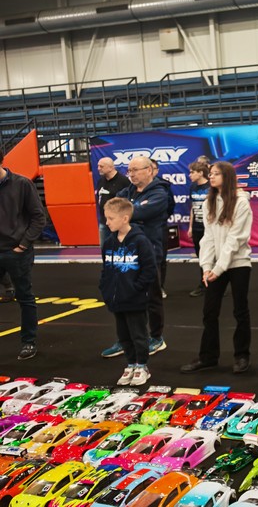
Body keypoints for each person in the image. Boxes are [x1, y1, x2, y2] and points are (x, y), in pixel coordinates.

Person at [181, 161, 253, 375]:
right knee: (209, 311)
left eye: (216, 174)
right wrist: (206, 267)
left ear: (227, 177)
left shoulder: (241, 202)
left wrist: (218, 268)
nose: (211, 177)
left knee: (240, 310)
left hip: (238, 263)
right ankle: (208, 357)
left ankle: (242, 356)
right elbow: (208, 238)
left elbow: (236, 238)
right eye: (210, 173)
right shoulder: (208, 202)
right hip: (215, 266)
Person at [108, 157, 170, 358]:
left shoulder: (160, 192)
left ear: (150, 170)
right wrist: (131, 213)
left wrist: (128, 214)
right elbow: (113, 209)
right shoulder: (127, 192)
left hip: (149, 253)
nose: (131, 174)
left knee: (151, 298)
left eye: (135, 170)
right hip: (125, 252)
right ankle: (125, 340)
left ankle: (156, 337)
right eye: (129, 170)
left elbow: (141, 212)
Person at [99, 198, 158, 386]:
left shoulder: (140, 241)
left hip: (135, 299)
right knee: (123, 335)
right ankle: (131, 364)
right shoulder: (109, 242)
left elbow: (150, 269)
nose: (107, 222)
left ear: (125, 218)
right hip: (116, 299)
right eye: (106, 218)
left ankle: (142, 366)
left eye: (111, 218)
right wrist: (106, 288)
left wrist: (136, 289)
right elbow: (106, 269)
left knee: (138, 335)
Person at [0, 147, 46, 360]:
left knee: (25, 297)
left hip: (16, 251)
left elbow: (38, 217)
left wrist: (23, 245)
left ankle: (29, 341)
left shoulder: (22, 184)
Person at [150, 159, 176, 299]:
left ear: (157, 170)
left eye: (153, 168)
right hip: (141, 229)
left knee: (160, 259)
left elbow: (171, 205)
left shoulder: (164, 186)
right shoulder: (135, 186)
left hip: (160, 227)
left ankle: (160, 287)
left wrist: (162, 217)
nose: (150, 171)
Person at [187, 160, 211, 297]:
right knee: (201, 257)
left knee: (211, 256)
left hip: (209, 228)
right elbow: (193, 208)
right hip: (197, 227)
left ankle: (213, 284)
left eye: (192, 172)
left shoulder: (211, 187)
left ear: (201, 173)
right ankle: (203, 283)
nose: (190, 175)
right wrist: (190, 226)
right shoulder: (193, 187)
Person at [96, 157, 131, 248]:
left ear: (111, 167)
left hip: (118, 222)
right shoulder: (101, 181)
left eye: (101, 166)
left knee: (119, 248)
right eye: (98, 166)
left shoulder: (123, 181)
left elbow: (128, 201)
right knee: (104, 248)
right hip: (104, 221)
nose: (98, 168)